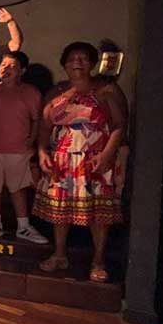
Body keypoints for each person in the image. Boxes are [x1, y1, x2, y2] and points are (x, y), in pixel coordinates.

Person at [34, 42, 125, 282]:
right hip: (62, 158)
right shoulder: (56, 92)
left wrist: (107, 155)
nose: (77, 62)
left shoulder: (106, 89)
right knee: (60, 210)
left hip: (96, 157)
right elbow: (44, 126)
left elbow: (119, 126)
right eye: (72, 58)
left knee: (98, 212)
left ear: (93, 63)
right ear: (64, 63)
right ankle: (60, 254)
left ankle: (98, 260)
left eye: (83, 58)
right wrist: (42, 151)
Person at [0, 51, 48, 244]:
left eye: (11, 66)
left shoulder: (30, 93)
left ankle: (23, 226)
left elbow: (36, 120)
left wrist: (32, 140)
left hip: (18, 150)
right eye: (3, 64)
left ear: (22, 71)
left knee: (17, 189)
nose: (5, 69)